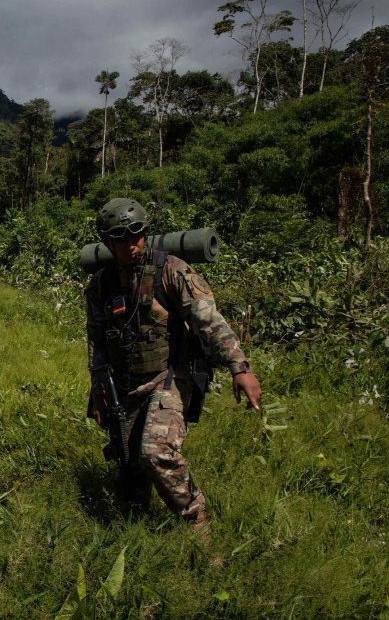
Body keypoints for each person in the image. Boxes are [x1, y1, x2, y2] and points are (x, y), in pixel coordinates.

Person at [84, 198, 262, 545]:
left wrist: (240, 367)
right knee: (130, 464)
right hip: (125, 383)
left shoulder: (172, 270)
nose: (132, 243)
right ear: (107, 242)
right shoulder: (101, 285)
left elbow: (209, 320)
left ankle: (197, 520)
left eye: (137, 234)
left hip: (170, 376)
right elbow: (97, 342)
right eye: (121, 238)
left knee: (156, 451)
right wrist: (98, 390)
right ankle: (135, 520)